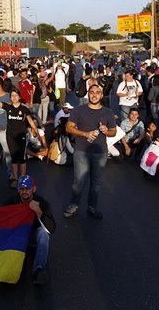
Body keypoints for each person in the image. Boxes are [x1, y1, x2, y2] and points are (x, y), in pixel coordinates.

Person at [64, 85, 117, 219]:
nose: (94, 95)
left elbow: (113, 132)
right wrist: (84, 133)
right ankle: (74, 204)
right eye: (92, 92)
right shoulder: (78, 110)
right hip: (81, 150)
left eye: (97, 92)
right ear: (88, 94)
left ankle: (92, 206)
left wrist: (106, 131)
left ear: (101, 95)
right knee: (78, 181)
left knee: (96, 182)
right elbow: (69, 128)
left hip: (100, 152)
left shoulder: (108, 112)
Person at [4, 175, 55, 285]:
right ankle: (7, 269)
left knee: (44, 234)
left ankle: (39, 270)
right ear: (18, 190)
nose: (24, 192)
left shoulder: (42, 203)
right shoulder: (12, 201)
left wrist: (38, 211)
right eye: (22, 189)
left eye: (27, 189)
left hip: (33, 236)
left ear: (34, 189)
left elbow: (51, 229)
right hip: (18, 235)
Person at [0, 79, 39, 188]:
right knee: (14, 159)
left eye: (16, 95)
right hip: (10, 136)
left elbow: (30, 120)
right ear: (10, 98)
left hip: (21, 136)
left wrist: (36, 130)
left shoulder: (24, 108)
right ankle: (16, 179)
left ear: (19, 97)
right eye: (12, 96)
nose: (14, 97)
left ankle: (23, 178)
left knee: (22, 158)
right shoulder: (7, 107)